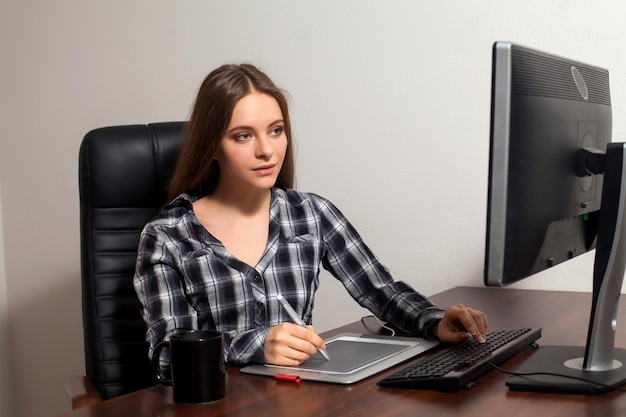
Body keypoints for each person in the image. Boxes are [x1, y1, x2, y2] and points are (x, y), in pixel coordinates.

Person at [133, 63, 488, 368]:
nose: (266, 150)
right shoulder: (168, 236)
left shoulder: (311, 214)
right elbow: (169, 357)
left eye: (276, 130)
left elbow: (383, 293)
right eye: (243, 136)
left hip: (302, 396)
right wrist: (257, 345)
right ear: (211, 145)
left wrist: (436, 321)